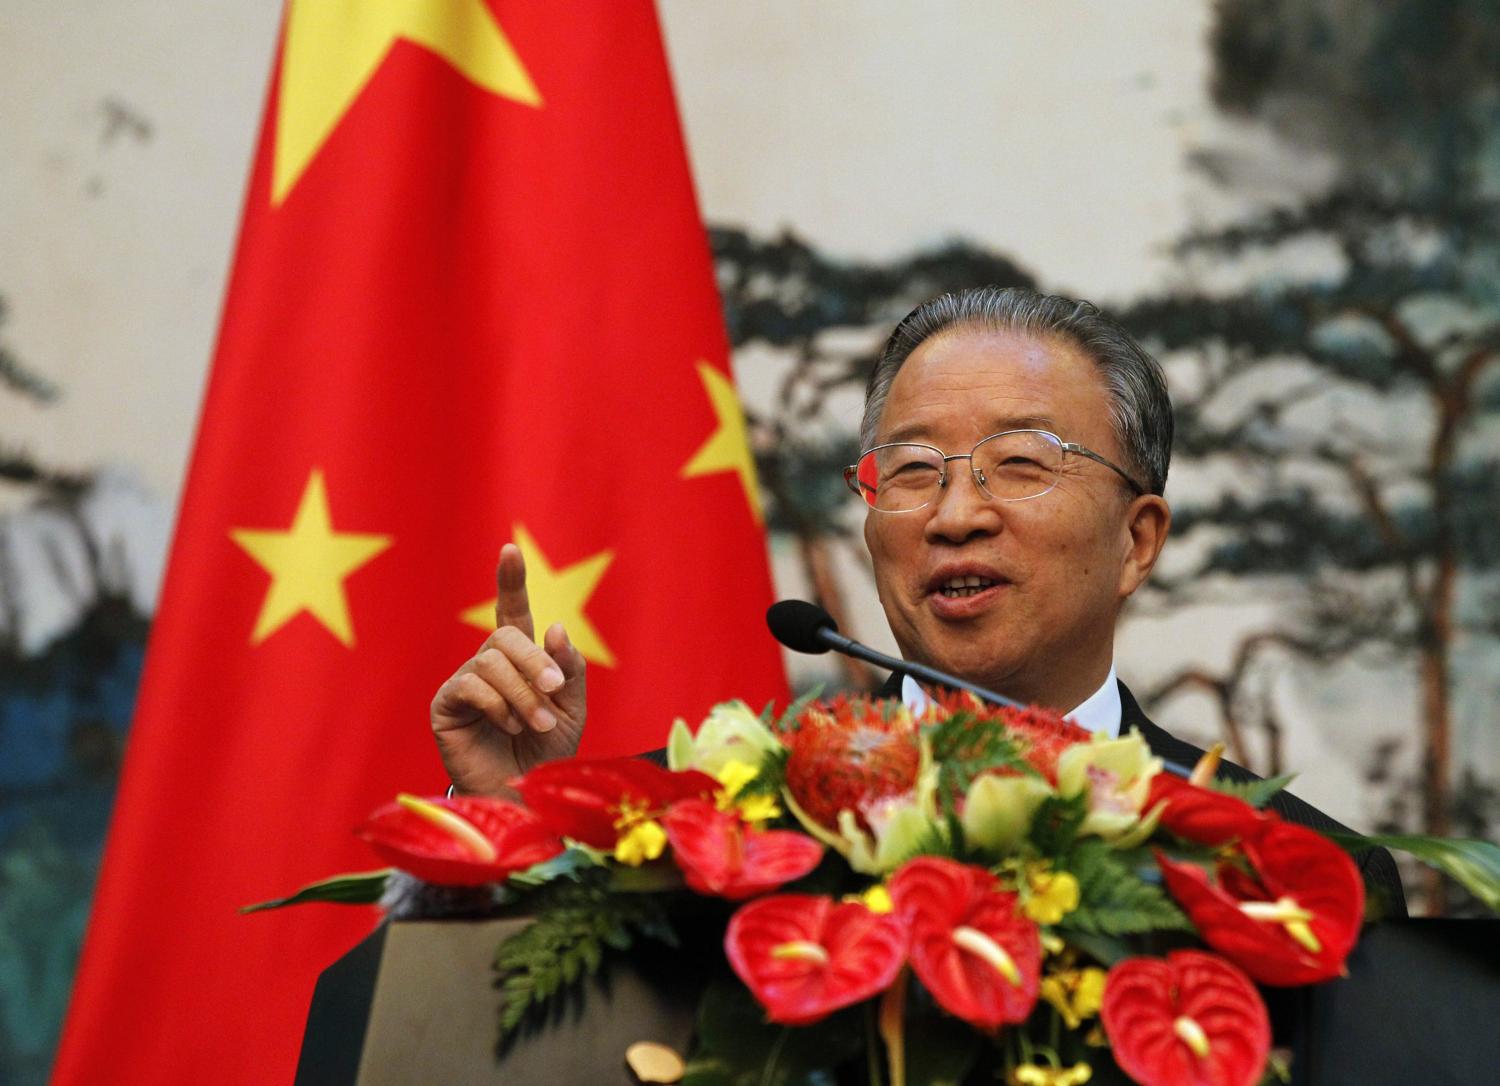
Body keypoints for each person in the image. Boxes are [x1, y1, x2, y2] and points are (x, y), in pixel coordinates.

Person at [430, 285, 1404, 911]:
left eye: (1019, 464)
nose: (954, 515)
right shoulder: (693, 828)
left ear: (1137, 541)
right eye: (911, 470)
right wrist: (515, 827)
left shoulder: (1297, 873)